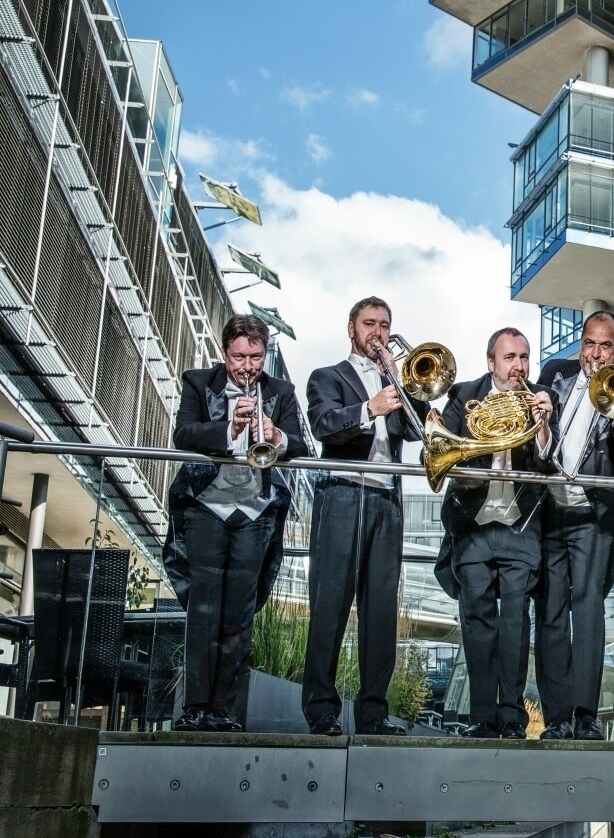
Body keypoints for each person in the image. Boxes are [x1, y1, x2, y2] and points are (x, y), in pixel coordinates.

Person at [164, 315, 308, 732]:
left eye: (255, 357)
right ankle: (194, 707)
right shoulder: (198, 382)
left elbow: (299, 444)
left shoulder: (280, 392)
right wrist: (230, 428)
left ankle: (222, 710)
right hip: (206, 506)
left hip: (255, 512)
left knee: (239, 614)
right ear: (225, 352)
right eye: (239, 357)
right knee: (203, 609)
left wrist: (275, 436)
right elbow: (183, 434)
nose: (247, 366)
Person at [303, 296, 429, 736]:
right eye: (369, 323)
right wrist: (369, 408)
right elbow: (323, 424)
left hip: (386, 501)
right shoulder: (327, 376)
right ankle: (321, 711)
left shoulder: (395, 378)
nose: (378, 332)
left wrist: (405, 384)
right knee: (330, 606)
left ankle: (373, 713)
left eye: (384, 325)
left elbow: (420, 431)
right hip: (342, 494)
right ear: (351, 329)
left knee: (380, 612)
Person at [434, 327, 555, 739]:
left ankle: (512, 716)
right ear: (491, 363)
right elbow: (444, 449)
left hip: (519, 527)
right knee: (477, 621)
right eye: (510, 357)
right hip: (473, 526)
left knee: (516, 623)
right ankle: (482, 717)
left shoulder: (539, 398)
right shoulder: (464, 395)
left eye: (524, 357)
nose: (519, 365)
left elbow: (547, 462)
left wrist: (542, 427)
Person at [536, 310, 614, 740]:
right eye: (589, 343)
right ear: (581, 344)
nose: (595, 354)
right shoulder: (555, 373)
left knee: (588, 610)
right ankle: (555, 717)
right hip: (550, 508)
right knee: (550, 612)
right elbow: (534, 436)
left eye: (605, 346)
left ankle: (584, 714)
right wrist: (540, 416)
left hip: (593, 514)